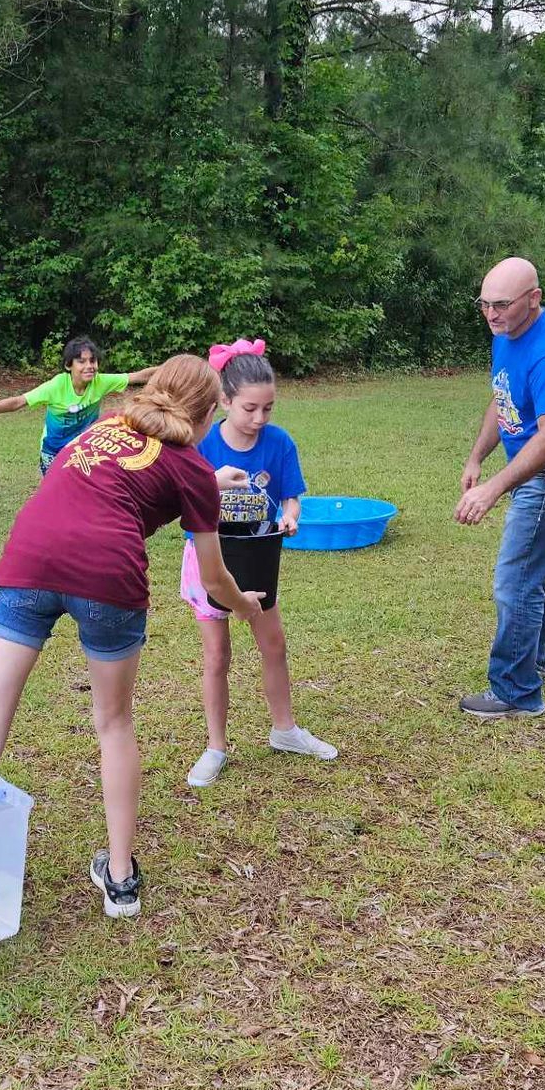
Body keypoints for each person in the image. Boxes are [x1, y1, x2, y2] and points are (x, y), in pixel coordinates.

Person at [0, 355, 264, 1013]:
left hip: (28, 559)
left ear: (150, 389)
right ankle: (119, 879)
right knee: (113, 722)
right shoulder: (192, 466)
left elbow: (100, 487)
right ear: (208, 412)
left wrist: (194, 488)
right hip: (108, 576)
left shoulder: (97, 427)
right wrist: (246, 608)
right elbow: (214, 573)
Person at [181, 337, 337, 788]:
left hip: (258, 554)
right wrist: (214, 483)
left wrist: (290, 516)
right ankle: (215, 748)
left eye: (268, 408)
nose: (259, 418)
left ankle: (284, 730)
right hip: (210, 558)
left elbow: (290, 496)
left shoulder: (279, 442)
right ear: (223, 400)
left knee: (274, 644)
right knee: (217, 655)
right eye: (249, 408)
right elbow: (183, 496)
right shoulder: (204, 441)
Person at [454, 257, 545, 719]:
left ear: (533, 299)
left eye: (501, 304)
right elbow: (503, 400)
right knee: (541, 569)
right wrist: (477, 457)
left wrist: (493, 487)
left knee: (515, 579)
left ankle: (516, 691)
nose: (491, 314)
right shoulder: (506, 335)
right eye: (484, 305)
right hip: (538, 468)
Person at [0, 335, 156, 475]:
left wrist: (181, 365)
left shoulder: (101, 381)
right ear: (69, 365)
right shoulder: (56, 386)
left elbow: (140, 376)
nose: (89, 366)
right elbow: (18, 402)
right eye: (81, 361)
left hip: (84, 450)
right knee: (58, 497)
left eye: (93, 361)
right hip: (53, 452)